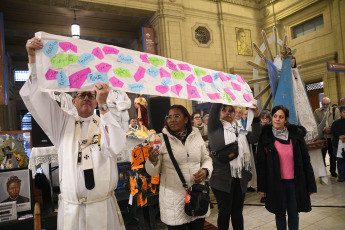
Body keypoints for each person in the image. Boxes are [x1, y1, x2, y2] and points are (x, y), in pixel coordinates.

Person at [20, 37, 126, 230]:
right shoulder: (62, 123)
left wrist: (104, 104)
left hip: (101, 208)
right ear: (73, 101)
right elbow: (38, 98)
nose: (86, 98)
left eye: (91, 95)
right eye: (81, 95)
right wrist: (33, 58)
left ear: (95, 102)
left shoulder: (106, 122)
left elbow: (116, 147)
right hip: (72, 211)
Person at [145, 105, 212, 230]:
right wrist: (152, 160)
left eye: (177, 116)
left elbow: (206, 158)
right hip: (174, 199)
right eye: (169, 117)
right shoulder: (161, 139)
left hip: (197, 195)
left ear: (186, 119)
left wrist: (205, 170)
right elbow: (153, 172)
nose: (172, 120)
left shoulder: (196, 135)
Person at [257, 105, 317, 230]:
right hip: (276, 183)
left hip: (294, 184)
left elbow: (306, 161)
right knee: (279, 214)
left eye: (281, 117)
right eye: (275, 116)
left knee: (294, 214)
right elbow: (261, 165)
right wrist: (262, 187)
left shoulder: (296, 137)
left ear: (286, 119)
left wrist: (310, 185)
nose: (277, 119)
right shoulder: (266, 138)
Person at [208, 103, 260, 230]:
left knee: (237, 212)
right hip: (221, 179)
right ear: (219, 113)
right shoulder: (215, 128)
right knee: (225, 212)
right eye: (224, 110)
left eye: (230, 110)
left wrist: (257, 118)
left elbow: (254, 138)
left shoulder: (239, 129)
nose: (227, 113)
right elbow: (215, 109)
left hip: (239, 178)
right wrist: (220, 95)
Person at [314, 97, 340, 177]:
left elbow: (337, 122)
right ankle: (322, 172)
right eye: (323, 104)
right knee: (322, 156)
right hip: (322, 137)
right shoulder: (317, 111)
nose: (325, 106)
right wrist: (324, 129)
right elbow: (315, 123)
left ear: (330, 103)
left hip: (332, 137)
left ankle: (332, 171)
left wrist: (331, 129)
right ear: (321, 103)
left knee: (333, 155)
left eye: (327, 104)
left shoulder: (335, 110)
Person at [331, 105, 345, 182]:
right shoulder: (336, 123)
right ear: (340, 113)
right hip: (338, 144)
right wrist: (340, 136)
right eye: (344, 112)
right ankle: (342, 176)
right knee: (340, 160)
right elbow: (333, 131)